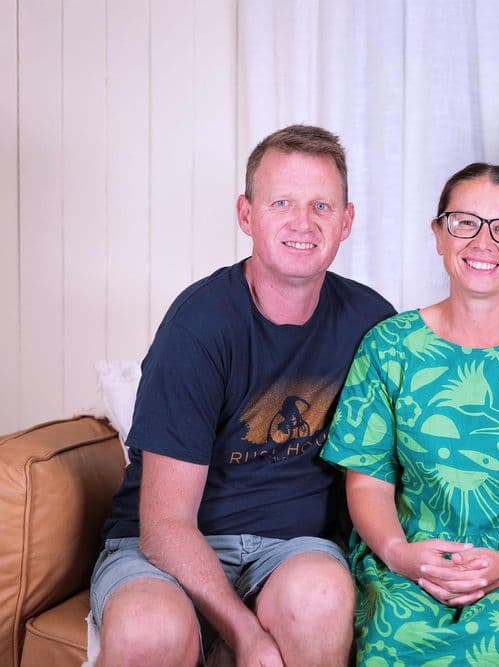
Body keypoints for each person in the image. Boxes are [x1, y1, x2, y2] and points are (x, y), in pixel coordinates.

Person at [90, 125, 395, 666]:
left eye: (322, 205)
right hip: (165, 550)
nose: (303, 222)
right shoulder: (200, 325)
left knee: (322, 597)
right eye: (281, 202)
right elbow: (163, 526)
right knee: (149, 630)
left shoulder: (372, 323)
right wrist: (243, 632)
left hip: (293, 550)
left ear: (346, 221)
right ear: (246, 214)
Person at [320, 163, 499, 665]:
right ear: (439, 235)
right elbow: (366, 484)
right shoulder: (390, 346)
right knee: (391, 647)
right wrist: (403, 556)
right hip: (408, 560)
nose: (483, 242)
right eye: (464, 222)